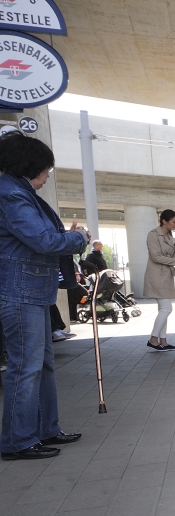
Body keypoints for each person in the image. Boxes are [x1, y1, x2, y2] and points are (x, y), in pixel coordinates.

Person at [0, 132, 90, 460]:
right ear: (30, 166)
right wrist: (77, 238)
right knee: (26, 366)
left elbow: (44, 237)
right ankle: (17, 440)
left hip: (32, 291)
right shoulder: (11, 194)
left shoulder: (17, 192)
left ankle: (46, 428)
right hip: (19, 291)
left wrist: (68, 235)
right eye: (46, 170)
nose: (47, 176)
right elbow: (44, 241)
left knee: (43, 365)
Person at [144, 209, 175, 351]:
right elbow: (156, 257)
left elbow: (171, 256)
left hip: (166, 275)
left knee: (163, 309)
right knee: (166, 308)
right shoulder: (153, 235)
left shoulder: (169, 235)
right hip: (156, 276)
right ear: (164, 221)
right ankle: (153, 339)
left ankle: (163, 341)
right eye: (174, 221)